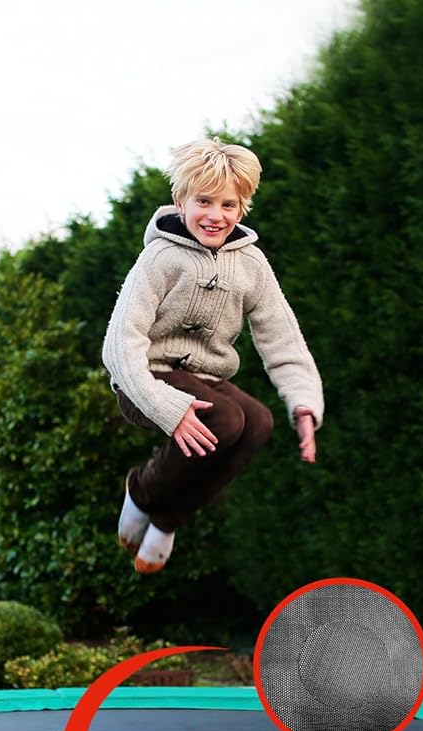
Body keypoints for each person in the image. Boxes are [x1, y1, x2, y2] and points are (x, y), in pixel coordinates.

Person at [101, 137, 324, 574]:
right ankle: (142, 492)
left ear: (242, 209)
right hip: (143, 380)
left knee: (257, 422)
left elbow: (282, 337)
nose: (215, 215)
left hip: (204, 380)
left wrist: (303, 403)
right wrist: (166, 407)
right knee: (226, 419)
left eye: (228, 204)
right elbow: (120, 344)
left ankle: (167, 520)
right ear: (180, 202)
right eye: (203, 201)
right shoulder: (160, 258)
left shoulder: (251, 265)